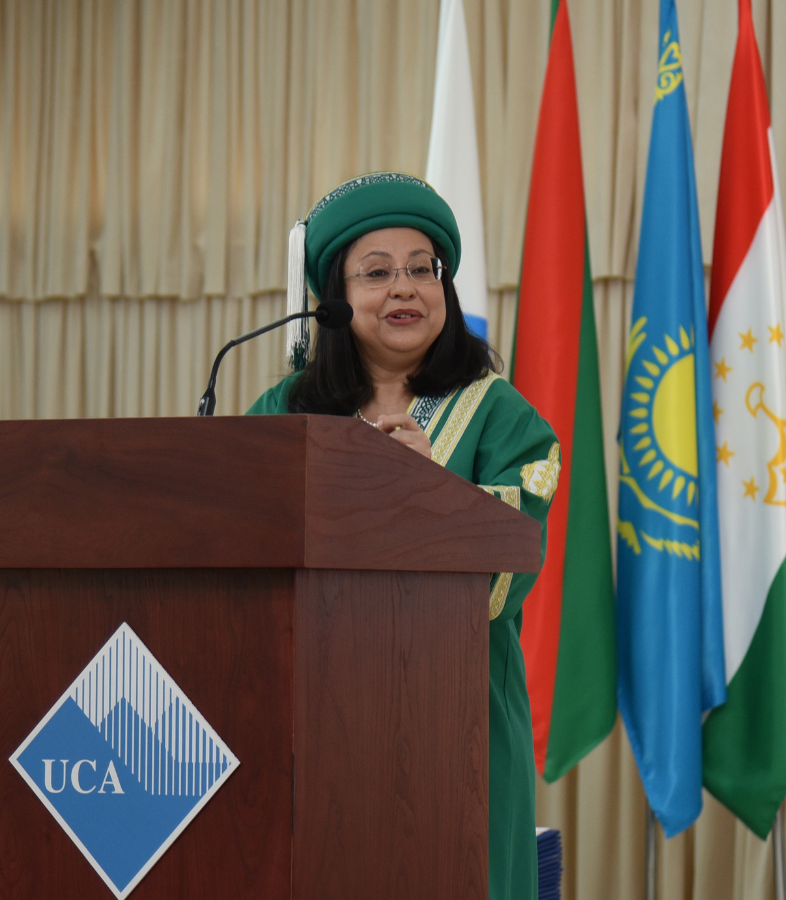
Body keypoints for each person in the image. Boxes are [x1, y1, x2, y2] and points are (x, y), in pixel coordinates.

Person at [247, 172, 558, 900]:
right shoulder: (282, 412)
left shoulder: (502, 417)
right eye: (377, 273)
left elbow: (507, 578)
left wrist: (430, 492)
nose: (405, 289)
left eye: (424, 270)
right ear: (334, 298)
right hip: (308, 718)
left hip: (457, 719)